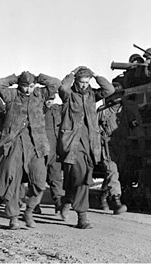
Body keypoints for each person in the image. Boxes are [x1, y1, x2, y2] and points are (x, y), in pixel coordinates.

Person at [0, 71, 61, 229]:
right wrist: (15, 79)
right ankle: (13, 217)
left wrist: (38, 78)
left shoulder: (40, 94)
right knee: (11, 179)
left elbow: (56, 83)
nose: (28, 90)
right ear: (19, 85)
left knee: (39, 180)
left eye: (31, 86)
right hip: (14, 143)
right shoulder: (11, 95)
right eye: (25, 86)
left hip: (35, 144)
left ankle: (29, 211)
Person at [57, 66, 115, 229]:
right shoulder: (69, 95)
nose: (84, 85)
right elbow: (63, 87)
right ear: (76, 81)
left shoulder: (92, 95)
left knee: (80, 179)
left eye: (86, 82)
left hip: (90, 146)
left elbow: (109, 89)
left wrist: (96, 75)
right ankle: (78, 212)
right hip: (71, 144)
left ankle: (72, 205)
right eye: (81, 82)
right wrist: (72, 73)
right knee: (76, 179)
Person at [97, 83, 128, 215]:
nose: (117, 98)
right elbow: (94, 129)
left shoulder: (127, 110)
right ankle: (116, 201)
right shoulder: (102, 111)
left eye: (119, 95)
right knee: (112, 171)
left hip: (122, 145)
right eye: (114, 95)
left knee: (114, 173)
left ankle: (103, 196)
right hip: (107, 146)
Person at [34, 93, 64, 215]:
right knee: (38, 178)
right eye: (47, 99)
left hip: (54, 149)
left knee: (56, 177)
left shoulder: (57, 110)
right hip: (39, 149)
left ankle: (59, 204)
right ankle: (34, 204)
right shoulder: (35, 110)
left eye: (52, 99)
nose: (49, 101)